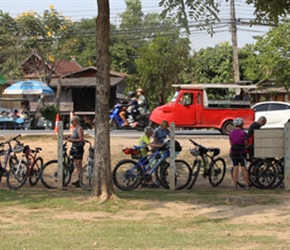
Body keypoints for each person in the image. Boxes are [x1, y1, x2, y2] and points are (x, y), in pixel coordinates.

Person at [229, 117, 250, 190]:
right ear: (242, 124)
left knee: (235, 168)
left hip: (233, 152)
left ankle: (235, 186)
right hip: (242, 152)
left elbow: (231, 143)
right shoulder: (243, 133)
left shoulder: (231, 133)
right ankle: (247, 185)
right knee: (244, 168)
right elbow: (246, 143)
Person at [65, 116, 84, 188]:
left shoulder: (79, 129)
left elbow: (81, 139)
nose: (72, 123)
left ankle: (80, 180)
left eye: (73, 122)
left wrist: (72, 140)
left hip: (78, 148)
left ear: (76, 121)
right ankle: (78, 179)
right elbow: (74, 137)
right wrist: (69, 138)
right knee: (76, 164)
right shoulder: (74, 129)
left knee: (79, 164)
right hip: (74, 147)